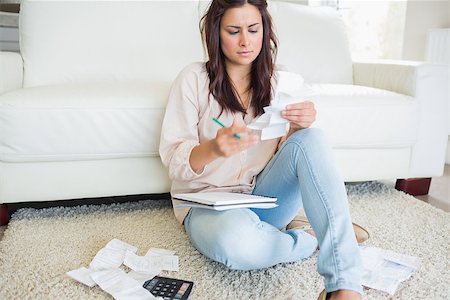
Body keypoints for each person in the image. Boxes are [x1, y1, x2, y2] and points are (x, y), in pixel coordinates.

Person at [159, 0, 368, 299]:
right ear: (216, 34)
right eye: (233, 31)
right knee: (238, 246)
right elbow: (174, 161)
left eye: (253, 29)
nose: (245, 41)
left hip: (263, 197)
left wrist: (299, 127)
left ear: (264, 31)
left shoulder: (280, 81)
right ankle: (311, 238)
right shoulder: (192, 80)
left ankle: (345, 285)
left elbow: (292, 155)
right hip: (206, 206)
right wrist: (215, 148)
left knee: (313, 138)